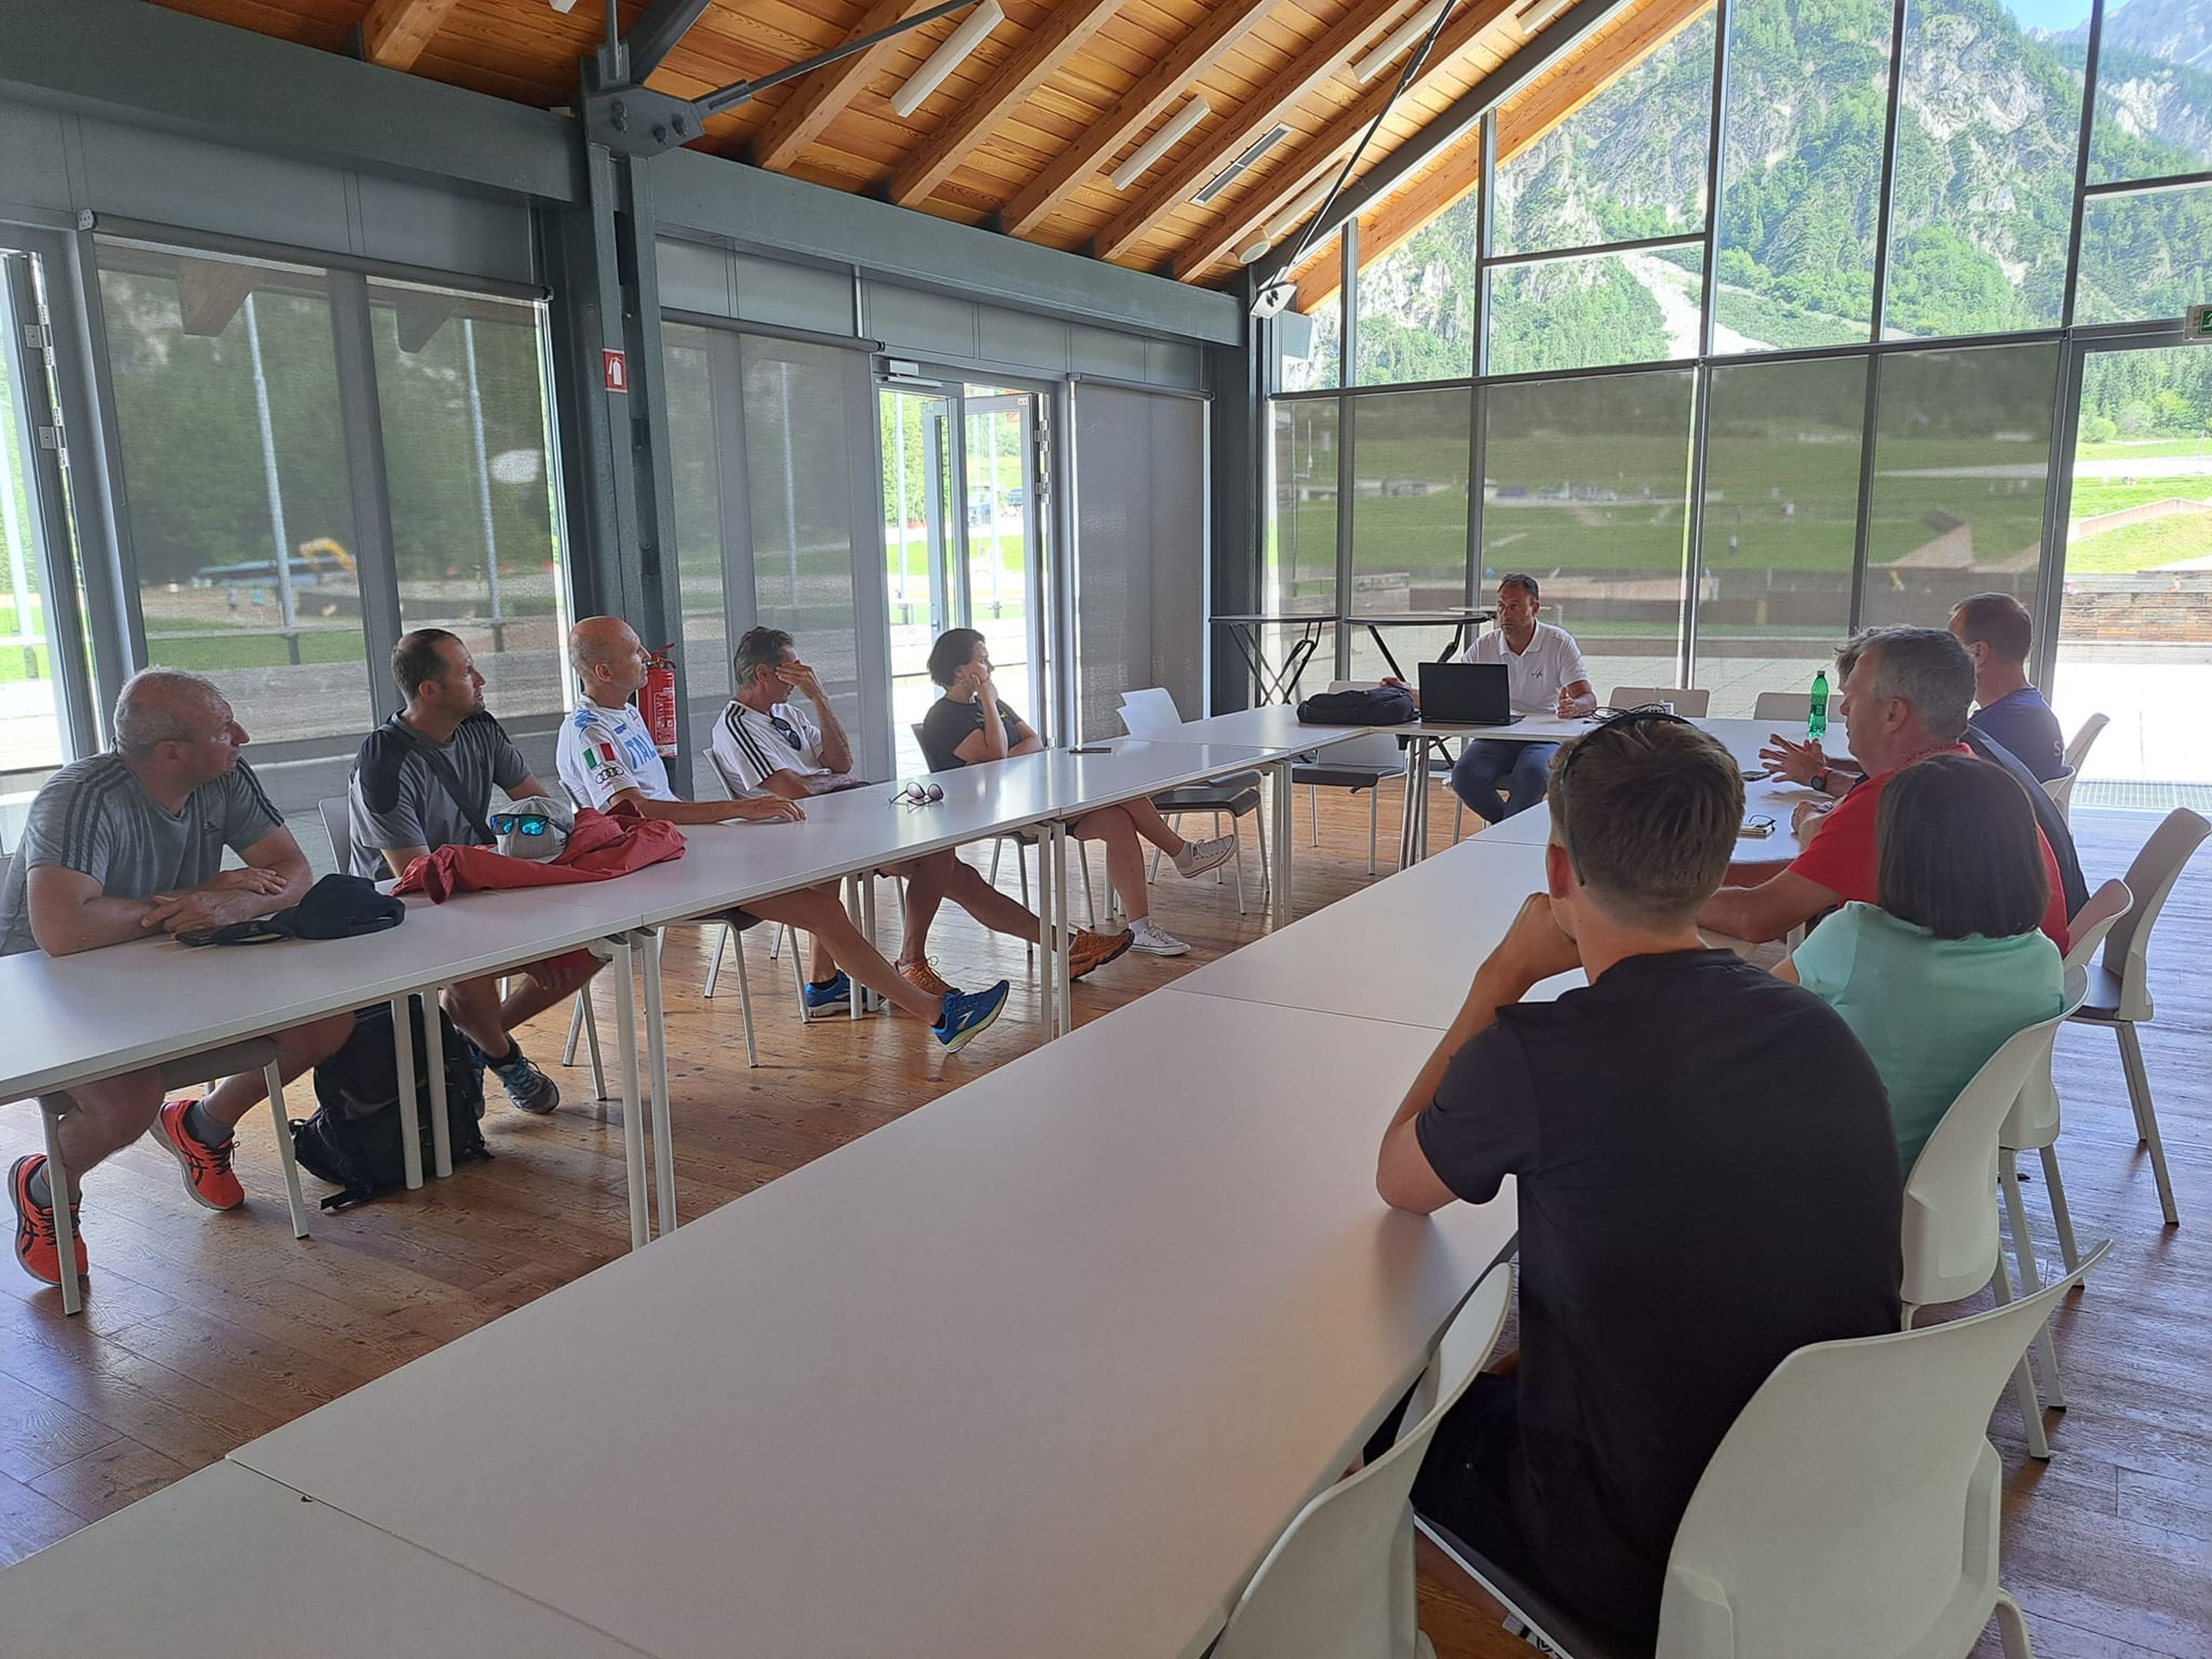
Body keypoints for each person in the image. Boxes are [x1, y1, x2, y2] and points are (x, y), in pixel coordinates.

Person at [1373, 712, 1901, 1643]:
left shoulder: (1537, 1057)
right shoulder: (1820, 1028)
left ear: (1558, 875)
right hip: (1832, 1505)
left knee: (1377, 1428)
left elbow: (1401, 1177)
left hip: (1635, 1549)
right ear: (1712, 867)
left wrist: (1499, 977)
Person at [3, 670, 356, 1290]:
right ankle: (44, 1183)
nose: (241, 735)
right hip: (48, 986)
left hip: (163, 957)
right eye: (224, 727)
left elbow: (292, 869)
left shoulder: (223, 773)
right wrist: (200, 895)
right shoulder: (81, 797)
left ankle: (201, 1125)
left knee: (326, 1021)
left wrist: (237, 905)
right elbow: (62, 932)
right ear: (169, 753)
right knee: (131, 1098)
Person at [558, 618, 1012, 1050]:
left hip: (686, 851)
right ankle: (938, 1013)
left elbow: (836, 767)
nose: (647, 657)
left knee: (845, 899)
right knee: (828, 909)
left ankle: (912, 1004)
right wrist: (743, 808)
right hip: (659, 871)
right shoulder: (588, 729)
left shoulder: (626, 715)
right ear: (604, 671)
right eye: (635, 652)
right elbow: (634, 810)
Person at [708, 624, 1134, 997]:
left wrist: (819, 698)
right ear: (764, 673)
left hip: (845, 813)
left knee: (953, 868)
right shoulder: (737, 724)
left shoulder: (788, 712)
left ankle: (1064, 947)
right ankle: (913, 962)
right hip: (814, 831)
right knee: (940, 856)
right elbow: (795, 792)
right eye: (794, 670)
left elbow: (841, 765)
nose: (802, 679)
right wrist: (832, 782)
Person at [349, 628, 598, 1114]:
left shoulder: (480, 726)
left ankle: (475, 1043)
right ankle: (503, 1057)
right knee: (471, 968)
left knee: (592, 947)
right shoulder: (384, 762)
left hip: (478, 891)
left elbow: (540, 810)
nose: (481, 679)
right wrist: (520, 935)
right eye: (466, 671)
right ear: (430, 691)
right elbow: (417, 878)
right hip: (406, 913)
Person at [1779, 753, 2065, 1177]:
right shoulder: (2042, 959)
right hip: (1955, 1191)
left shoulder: (1855, 936)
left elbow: (1751, 1017)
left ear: (1900, 853)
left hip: (1834, 1179)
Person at [1703, 627, 2072, 949]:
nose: (1844, 709)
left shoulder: (1895, 802)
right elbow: (1811, 874)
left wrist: (1647, 894)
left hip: (1954, 1019)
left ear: (1894, 714)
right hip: (2019, 1000)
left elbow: (1754, 917)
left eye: (1854, 695)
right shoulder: (1967, 771)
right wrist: (1682, 873)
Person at [914, 627, 1237, 959]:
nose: (990, 668)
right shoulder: (943, 717)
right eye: (983, 661)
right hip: (998, 811)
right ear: (961, 671)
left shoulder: (997, 704)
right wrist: (988, 705)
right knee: (1115, 784)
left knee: (1116, 820)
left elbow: (1035, 741)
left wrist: (1003, 750)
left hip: (1034, 794)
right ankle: (1182, 853)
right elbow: (996, 755)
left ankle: (1140, 929)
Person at [1390, 575, 1598, 824]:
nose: (1505, 613)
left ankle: (1504, 838)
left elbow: (1588, 698)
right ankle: (1508, 832)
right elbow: (1452, 694)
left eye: (1514, 606)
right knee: (1464, 776)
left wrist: (1575, 707)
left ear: (1535, 607)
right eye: (1500, 605)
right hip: (1495, 734)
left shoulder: (1559, 643)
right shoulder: (1485, 645)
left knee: (1532, 773)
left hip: (1543, 736)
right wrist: (1407, 691)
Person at [1949, 592, 2066, 782]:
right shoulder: (2030, 711)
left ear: (1977, 653)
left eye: (1952, 644)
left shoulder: (1991, 731)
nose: (1945, 655)